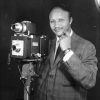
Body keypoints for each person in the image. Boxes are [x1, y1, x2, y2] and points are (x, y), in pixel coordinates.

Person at [21, 5, 98, 100]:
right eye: (52, 21)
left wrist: (67, 51)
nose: (56, 25)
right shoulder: (47, 43)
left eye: (61, 20)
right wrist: (31, 69)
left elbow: (89, 81)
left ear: (70, 20)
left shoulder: (87, 46)